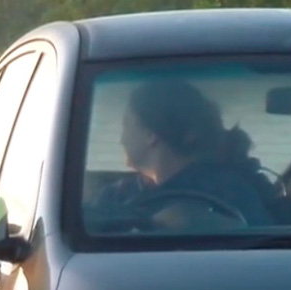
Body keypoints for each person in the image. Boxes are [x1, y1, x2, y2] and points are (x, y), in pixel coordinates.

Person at [88, 79, 276, 230]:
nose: (121, 139)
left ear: (150, 135)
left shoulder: (231, 192)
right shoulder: (116, 196)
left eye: (126, 125)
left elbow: (263, 251)